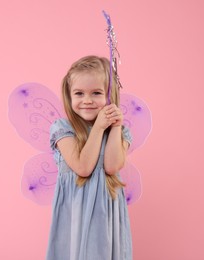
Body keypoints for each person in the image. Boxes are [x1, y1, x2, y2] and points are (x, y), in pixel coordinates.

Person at [46, 55, 133, 260]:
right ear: (69, 96)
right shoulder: (62, 128)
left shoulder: (120, 133)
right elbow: (83, 167)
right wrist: (99, 127)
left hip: (107, 215)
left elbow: (111, 166)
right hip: (75, 213)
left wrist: (115, 126)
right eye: (79, 93)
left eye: (96, 93)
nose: (87, 100)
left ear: (110, 96)